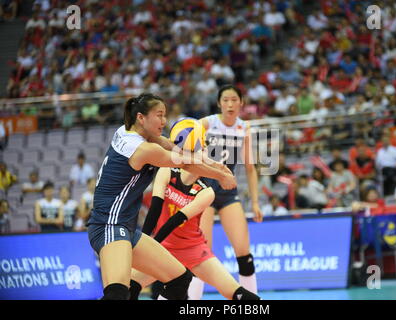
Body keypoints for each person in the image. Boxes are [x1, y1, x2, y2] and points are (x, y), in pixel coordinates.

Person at [86, 93, 236, 300]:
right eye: (159, 115)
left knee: (180, 278)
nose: (165, 121)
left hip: (126, 228)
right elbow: (183, 162)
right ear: (141, 117)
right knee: (118, 293)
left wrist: (215, 165)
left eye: (165, 115)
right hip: (109, 226)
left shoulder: (130, 132)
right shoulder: (142, 149)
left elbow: (175, 149)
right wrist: (221, 176)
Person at [129, 123, 259, 300]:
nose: (205, 154)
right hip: (165, 247)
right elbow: (154, 210)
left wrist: (152, 245)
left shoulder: (207, 192)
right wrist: (144, 245)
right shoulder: (167, 171)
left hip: (193, 249)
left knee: (235, 293)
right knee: (129, 285)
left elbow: (176, 220)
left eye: (205, 150)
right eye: (202, 148)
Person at [197, 84, 263, 297]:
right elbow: (186, 141)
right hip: (204, 192)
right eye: (225, 100)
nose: (230, 104)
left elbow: (250, 168)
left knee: (244, 254)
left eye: (234, 100)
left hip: (227, 194)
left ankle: (252, 304)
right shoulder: (207, 123)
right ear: (219, 103)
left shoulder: (244, 128)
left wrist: (255, 202)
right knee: (200, 255)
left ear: (241, 103)